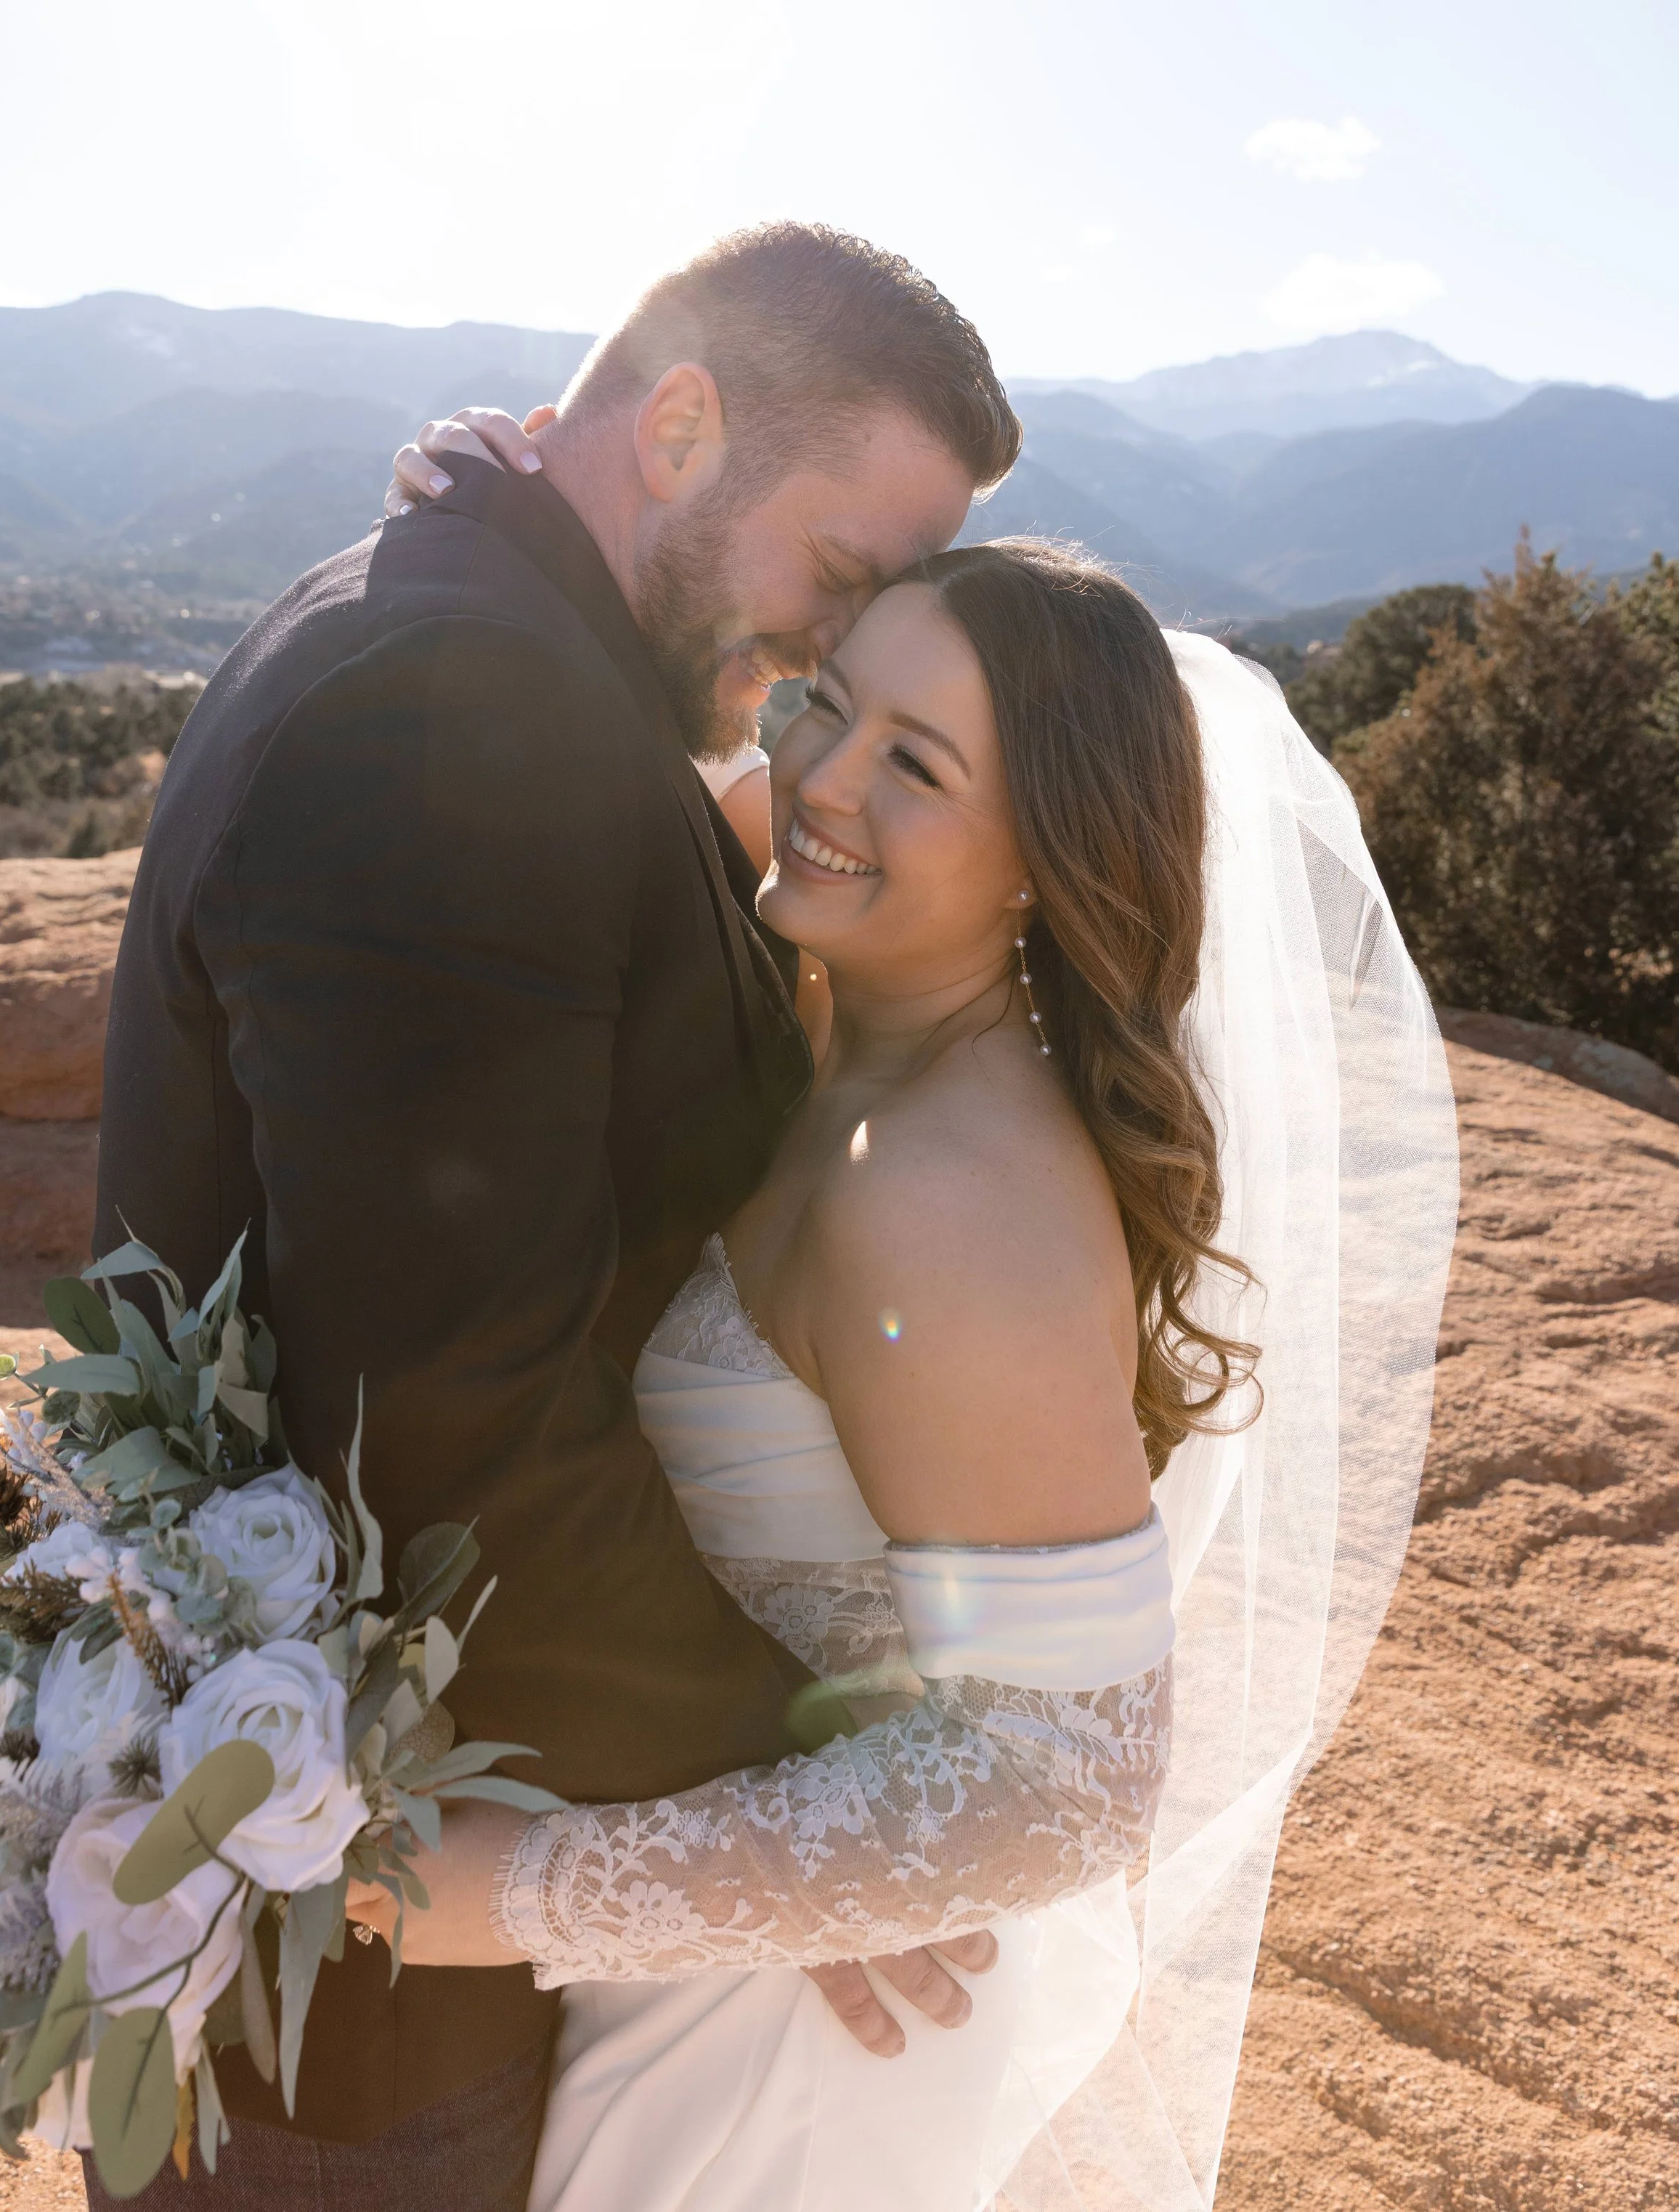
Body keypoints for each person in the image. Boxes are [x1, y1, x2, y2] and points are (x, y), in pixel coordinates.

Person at [346, 516, 1460, 2208]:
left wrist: (515, 1894)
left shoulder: (947, 1199)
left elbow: (1069, 1782)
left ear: (1040, 859)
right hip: (751, 1944)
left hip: (802, 2056)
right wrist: (507, 498)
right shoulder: (843, 992)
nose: (825, 777)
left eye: (918, 766)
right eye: (826, 704)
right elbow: (711, 781)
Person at [89, 224, 1021, 2212]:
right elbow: (452, 1425)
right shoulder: (458, 702)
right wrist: (807, 1799)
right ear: (677, 426)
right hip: (353, 2013)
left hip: (410, 1893)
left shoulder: (469, 631)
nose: (834, 659)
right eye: (839, 577)